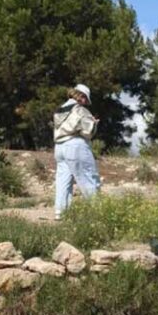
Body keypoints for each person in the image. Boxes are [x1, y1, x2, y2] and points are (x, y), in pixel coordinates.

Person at [52, 82, 100, 219]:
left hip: (59, 147)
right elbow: (87, 131)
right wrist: (94, 123)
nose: (85, 102)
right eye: (85, 98)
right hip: (75, 145)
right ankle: (97, 211)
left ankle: (61, 212)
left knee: (63, 181)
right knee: (89, 177)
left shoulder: (60, 109)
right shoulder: (80, 110)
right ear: (80, 95)